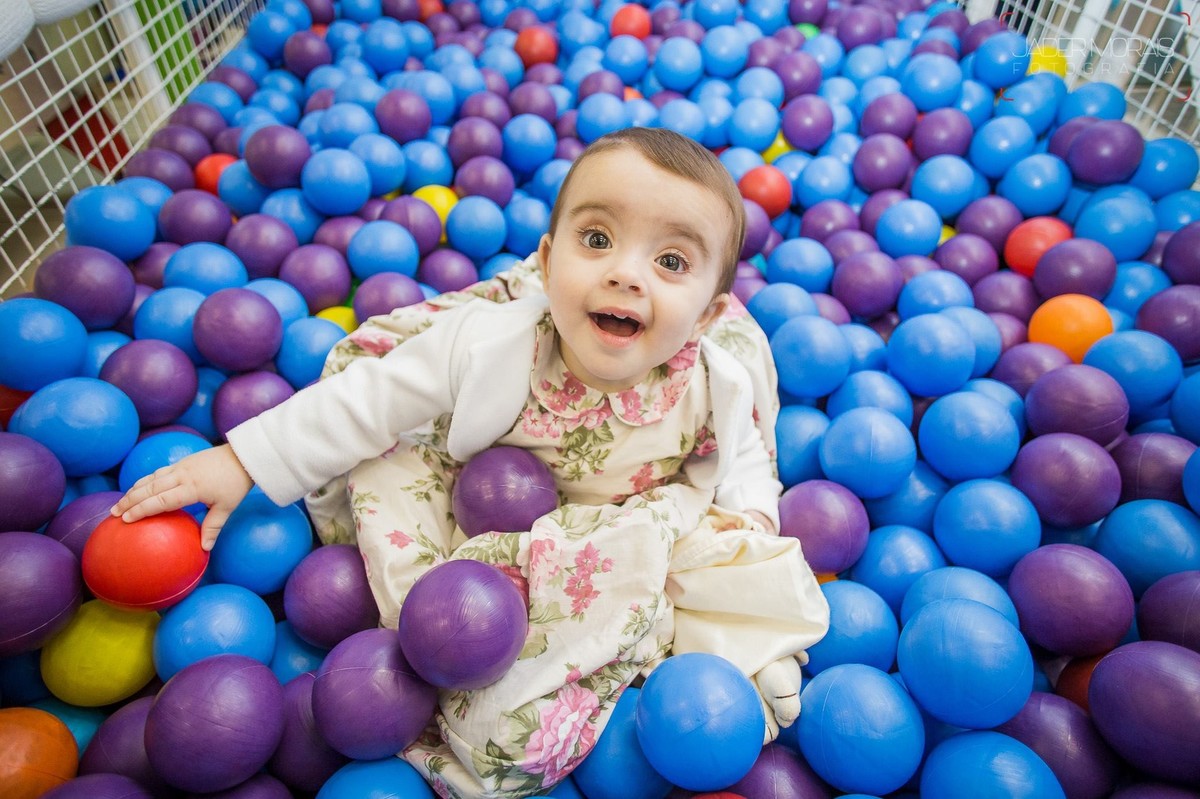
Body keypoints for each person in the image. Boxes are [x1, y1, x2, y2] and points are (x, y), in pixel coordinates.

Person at [113, 127, 829, 798]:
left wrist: (750, 531)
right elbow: (375, 398)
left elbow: (742, 462)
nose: (625, 274)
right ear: (548, 262)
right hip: (494, 471)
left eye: (670, 262)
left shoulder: (712, 383)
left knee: (726, 569)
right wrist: (246, 460)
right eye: (597, 238)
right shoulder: (493, 344)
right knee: (398, 493)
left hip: (635, 499)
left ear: (705, 317)